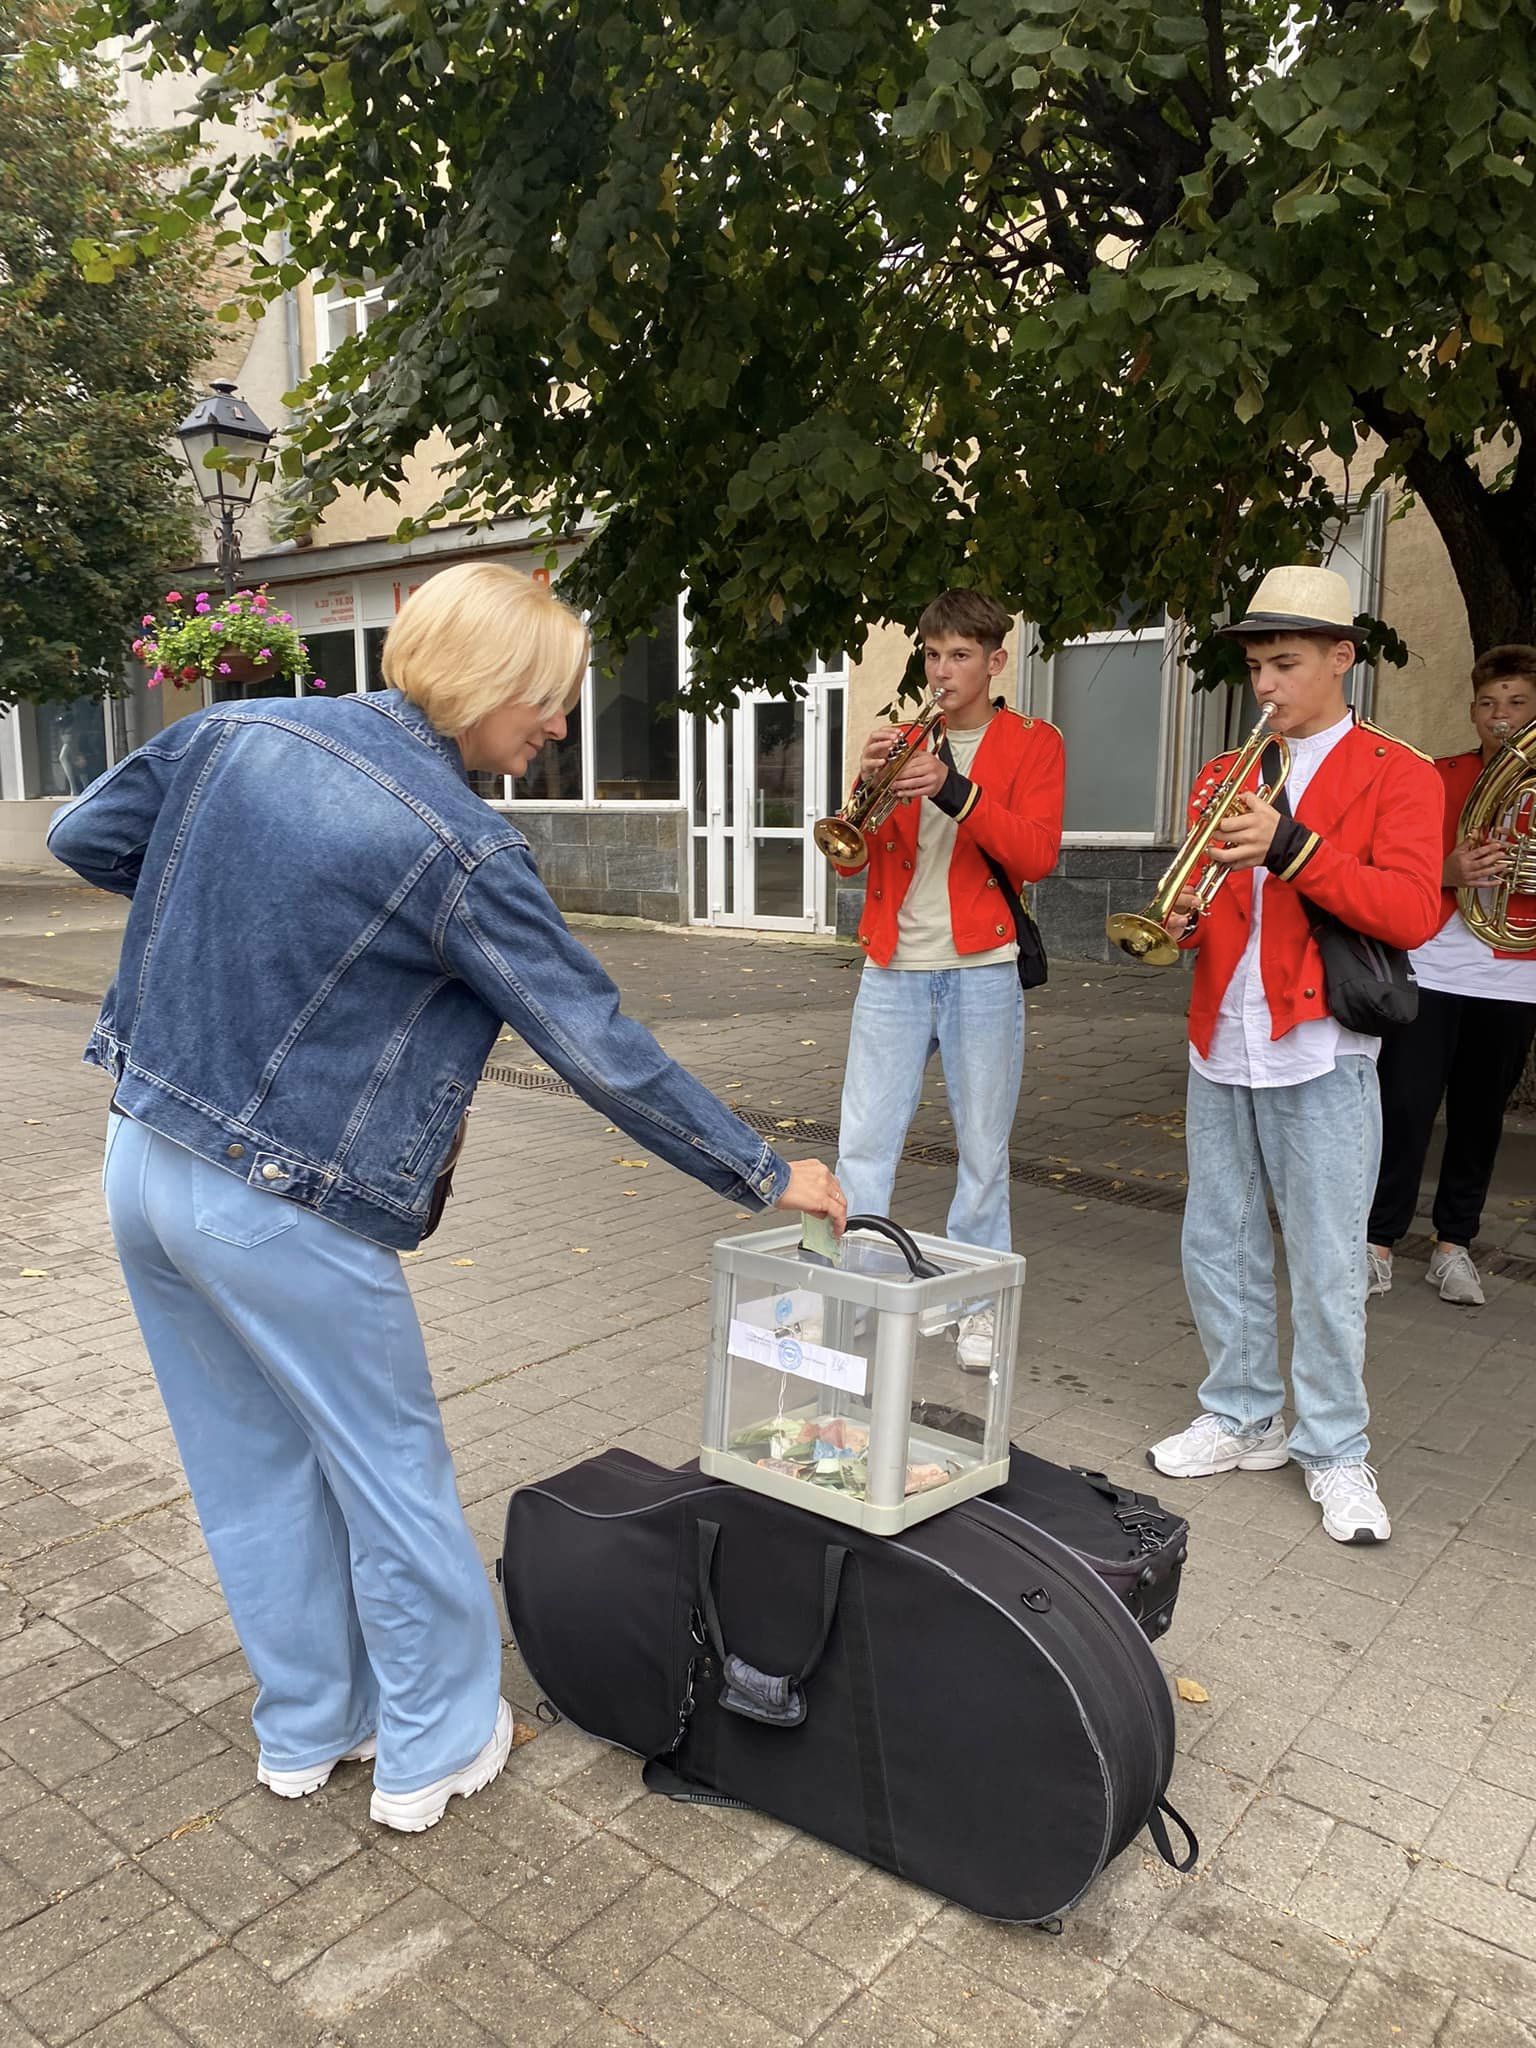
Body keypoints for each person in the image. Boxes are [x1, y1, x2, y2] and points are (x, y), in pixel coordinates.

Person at [47, 563, 844, 1833]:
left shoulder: (230, 730)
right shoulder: (459, 844)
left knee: (247, 1464)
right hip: (278, 1201)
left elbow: (83, 837)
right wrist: (764, 1168)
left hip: (140, 1155)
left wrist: (236, 917)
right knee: (388, 1469)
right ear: (488, 682)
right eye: (551, 698)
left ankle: (308, 1727)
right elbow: (597, 1042)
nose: (562, 726)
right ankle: (434, 1743)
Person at [1145, 565, 1443, 1545]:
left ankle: (1336, 1448)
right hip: (1221, 1036)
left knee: (1325, 1260)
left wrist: (1291, 847)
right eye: (1256, 667)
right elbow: (1207, 898)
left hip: (1321, 1045)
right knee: (1217, 1241)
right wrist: (1183, 919)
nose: (1265, 685)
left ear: (1341, 657)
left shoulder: (1398, 771)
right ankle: (1242, 1415)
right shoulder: (1224, 770)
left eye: (1285, 664)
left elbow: (1412, 910)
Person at [831, 589, 1064, 1369]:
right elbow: (851, 859)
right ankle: (853, 1293)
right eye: (933, 655)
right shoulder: (902, 740)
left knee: (983, 1152)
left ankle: (975, 1306)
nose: (942, 670)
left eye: (960, 655)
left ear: (996, 662)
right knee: (864, 1145)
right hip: (892, 966)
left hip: (982, 969)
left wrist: (951, 788)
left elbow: (1037, 855)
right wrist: (861, 791)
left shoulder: (1034, 743)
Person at [1367, 649, 1536, 1305]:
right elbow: (1391, 865)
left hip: (1515, 976)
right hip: (1434, 966)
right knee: (1404, 1106)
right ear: (1472, 711)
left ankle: (1453, 1245)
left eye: (1516, 702)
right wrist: (1447, 871)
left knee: (1479, 1116)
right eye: (1489, 704)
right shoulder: (1437, 777)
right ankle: (1377, 1242)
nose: (1501, 716)